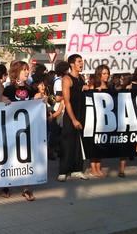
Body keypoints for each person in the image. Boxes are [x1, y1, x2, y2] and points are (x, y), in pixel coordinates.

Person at [3, 60, 36, 201]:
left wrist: (40, 100)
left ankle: (26, 187)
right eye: (24, 70)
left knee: (27, 157)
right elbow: (2, 105)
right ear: (16, 72)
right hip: (12, 129)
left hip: (27, 128)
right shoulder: (9, 89)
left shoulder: (31, 89)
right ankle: (6, 185)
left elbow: (36, 105)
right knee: (10, 156)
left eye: (28, 70)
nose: (27, 72)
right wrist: (3, 100)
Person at [57, 54, 89, 182]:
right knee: (67, 143)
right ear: (72, 64)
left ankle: (77, 170)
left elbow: (79, 92)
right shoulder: (66, 79)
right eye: (79, 61)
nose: (81, 64)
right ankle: (63, 171)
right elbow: (67, 101)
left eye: (82, 61)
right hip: (71, 116)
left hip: (81, 113)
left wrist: (85, 88)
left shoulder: (81, 78)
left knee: (78, 143)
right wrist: (74, 119)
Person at [89, 65, 110, 178]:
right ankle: (93, 168)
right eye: (104, 73)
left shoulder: (108, 86)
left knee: (102, 143)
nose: (106, 75)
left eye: (107, 73)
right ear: (99, 75)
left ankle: (99, 167)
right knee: (95, 143)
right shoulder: (93, 85)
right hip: (95, 119)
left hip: (105, 119)